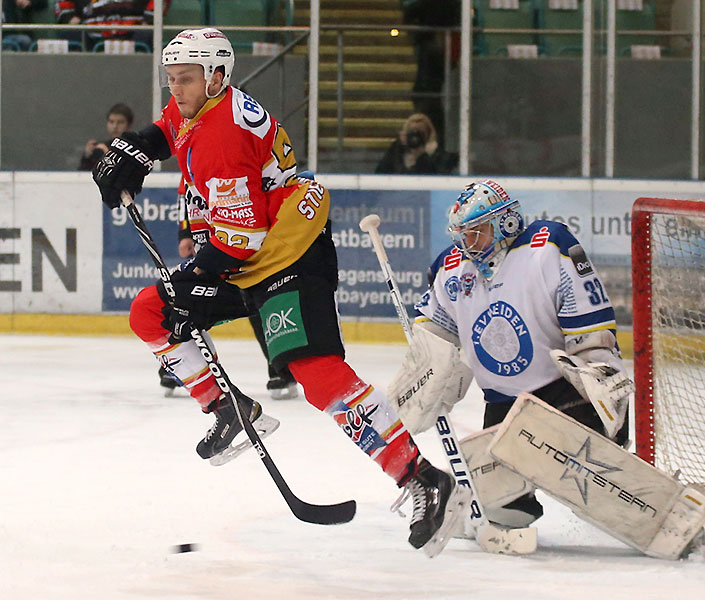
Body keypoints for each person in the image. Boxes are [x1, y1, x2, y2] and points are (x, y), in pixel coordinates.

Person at [91, 27, 469, 556]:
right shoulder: (201, 103)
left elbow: (240, 240)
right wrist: (134, 151)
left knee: (314, 373)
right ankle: (227, 410)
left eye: (186, 79)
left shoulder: (223, 134)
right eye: (170, 79)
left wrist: (193, 277)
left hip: (289, 255)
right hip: (249, 256)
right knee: (150, 313)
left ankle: (418, 475)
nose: (176, 90)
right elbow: (167, 129)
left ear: (217, 76)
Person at [392, 179, 632, 530]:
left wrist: (602, 384)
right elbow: (435, 335)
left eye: (477, 232)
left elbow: (591, 333)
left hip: (563, 397)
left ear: (506, 222)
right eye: (462, 234)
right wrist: (428, 372)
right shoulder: (451, 268)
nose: (468, 243)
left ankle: (620, 480)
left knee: (595, 486)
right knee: (501, 510)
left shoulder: (548, 246)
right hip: (503, 406)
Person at [162, 177, 300, 400]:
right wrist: (185, 233)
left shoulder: (233, 153)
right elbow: (185, 195)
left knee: (259, 305)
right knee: (190, 303)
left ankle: (281, 371)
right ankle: (180, 367)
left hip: (245, 242)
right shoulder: (191, 150)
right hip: (210, 246)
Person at [400, 0, 460, 143]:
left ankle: (432, 138)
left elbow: (410, 13)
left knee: (430, 96)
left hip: (434, 49)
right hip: (436, 50)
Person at [54, 0, 169, 51]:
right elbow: (64, 5)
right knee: (70, 34)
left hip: (133, 30)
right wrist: (70, 18)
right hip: (91, 31)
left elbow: (159, 4)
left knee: (148, 34)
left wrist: (149, 20)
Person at [375, 113, 457, 175]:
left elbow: (443, 175)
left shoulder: (437, 156)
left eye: (420, 133)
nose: (415, 137)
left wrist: (431, 154)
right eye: (412, 132)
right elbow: (380, 174)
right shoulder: (395, 152)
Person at [79, 103, 133, 172]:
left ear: (129, 125)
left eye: (120, 122)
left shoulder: (134, 149)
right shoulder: (103, 146)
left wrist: (107, 156)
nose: (115, 126)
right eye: (111, 122)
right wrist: (87, 157)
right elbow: (82, 177)